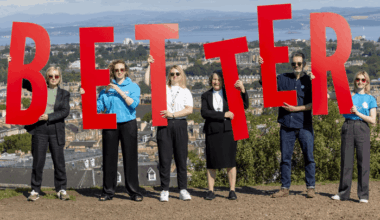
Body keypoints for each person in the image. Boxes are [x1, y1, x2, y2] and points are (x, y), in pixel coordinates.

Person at [8, 57, 71, 201]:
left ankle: (61, 189)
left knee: (59, 162)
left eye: (56, 76)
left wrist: (49, 117)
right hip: (39, 130)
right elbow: (21, 82)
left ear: (60, 78)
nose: (53, 78)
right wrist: (12, 64)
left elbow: (65, 111)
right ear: (46, 78)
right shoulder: (38, 88)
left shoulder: (65, 94)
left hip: (56, 130)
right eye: (51, 76)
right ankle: (35, 190)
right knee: (38, 162)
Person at [80, 60, 143, 202]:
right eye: (116, 70)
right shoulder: (105, 91)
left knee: (130, 158)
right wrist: (85, 95)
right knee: (109, 159)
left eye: (122, 69)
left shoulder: (133, 87)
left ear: (126, 71)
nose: (119, 72)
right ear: (113, 72)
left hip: (128, 123)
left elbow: (133, 104)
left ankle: (134, 192)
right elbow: (96, 108)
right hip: (109, 124)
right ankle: (108, 191)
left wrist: (118, 89)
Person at [261, 52, 316, 198]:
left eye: (299, 63)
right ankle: (285, 188)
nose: (296, 66)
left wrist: (295, 108)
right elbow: (266, 83)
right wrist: (262, 65)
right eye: (293, 64)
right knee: (285, 158)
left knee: (309, 156)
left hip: (304, 124)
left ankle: (310, 187)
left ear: (304, 64)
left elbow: (314, 104)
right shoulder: (283, 78)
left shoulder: (310, 81)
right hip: (286, 125)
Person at [145, 55, 193, 202]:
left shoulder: (186, 91)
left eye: (177, 73)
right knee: (165, 159)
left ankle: (183, 189)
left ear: (181, 76)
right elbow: (147, 82)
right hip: (163, 126)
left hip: (179, 124)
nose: (174, 76)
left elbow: (189, 110)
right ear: (169, 75)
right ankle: (164, 189)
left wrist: (172, 114)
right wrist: (148, 66)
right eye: (172, 73)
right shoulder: (163, 88)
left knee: (181, 158)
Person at [201, 70, 249, 200]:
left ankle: (232, 190)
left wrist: (243, 89)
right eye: (214, 79)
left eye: (218, 79)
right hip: (212, 131)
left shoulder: (231, 94)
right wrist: (223, 114)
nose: (216, 82)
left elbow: (245, 105)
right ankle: (211, 191)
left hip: (228, 131)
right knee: (212, 162)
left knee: (230, 161)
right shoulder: (205, 95)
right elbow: (204, 113)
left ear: (223, 81)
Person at [330, 71, 377, 203]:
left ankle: (363, 195)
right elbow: (329, 95)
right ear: (354, 81)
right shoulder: (348, 95)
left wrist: (357, 113)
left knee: (364, 162)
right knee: (346, 161)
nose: (360, 82)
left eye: (363, 80)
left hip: (362, 127)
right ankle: (343, 193)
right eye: (358, 79)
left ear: (367, 82)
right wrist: (314, 80)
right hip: (348, 126)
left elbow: (373, 120)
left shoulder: (370, 99)